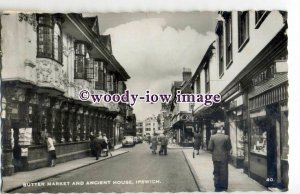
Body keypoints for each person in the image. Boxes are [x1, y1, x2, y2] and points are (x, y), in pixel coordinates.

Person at [208, 125, 232, 192]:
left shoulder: (212, 137)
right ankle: (223, 187)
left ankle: (217, 187)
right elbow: (229, 148)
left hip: (215, 157)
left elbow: (210, 148)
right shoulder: (226, 137)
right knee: (224, 172)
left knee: (216, 172)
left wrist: (215, 151)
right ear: (222, 129)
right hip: (224, 157)